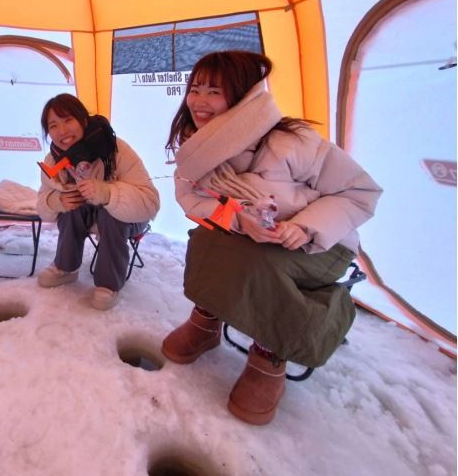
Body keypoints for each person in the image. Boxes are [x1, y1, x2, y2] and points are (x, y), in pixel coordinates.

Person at [162, 51, 382, 425]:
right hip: (254, 237)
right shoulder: (197, 147)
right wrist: (238, 221)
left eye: (214, 92)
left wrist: (305, 226)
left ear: (243, 97)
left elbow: (359, 193)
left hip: (320, 244)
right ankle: (207, 320)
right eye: (195, 89)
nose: (199, 101)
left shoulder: (291, 142)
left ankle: (269, 351)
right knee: (207, 240)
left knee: (259, 261)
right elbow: (193, 199)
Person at [36, 94, 159, 310]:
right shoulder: (54, 159)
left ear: (83, 120)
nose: (62, 131)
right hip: (88, 214)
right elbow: (42, 207)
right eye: (53, 125)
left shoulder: (114, 148)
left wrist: (108, 194)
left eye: (68, 120)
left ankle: (109, 285)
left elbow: (150, 203)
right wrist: (57, 201)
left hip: (131, 218)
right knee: (70, 206)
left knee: (109, 214)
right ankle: (65, 268)